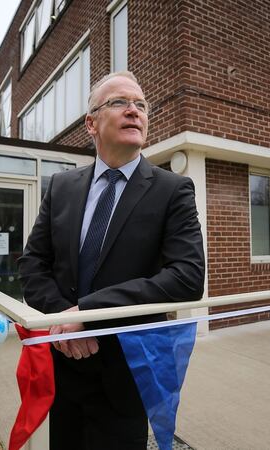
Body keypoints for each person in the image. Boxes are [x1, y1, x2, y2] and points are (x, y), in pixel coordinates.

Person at [18, 71, 205, 449]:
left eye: (141, 105)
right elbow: (32, 266)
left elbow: (187, 277)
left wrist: (87, 312)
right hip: (64, 366)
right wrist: (66, 320)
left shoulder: (173, 189)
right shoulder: (61, 186)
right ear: (91, 123)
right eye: (120, 102)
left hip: (127, 372)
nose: (134, 111)